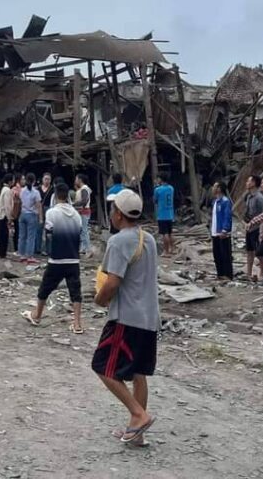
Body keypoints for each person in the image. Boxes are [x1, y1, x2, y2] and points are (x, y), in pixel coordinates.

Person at [92, 189, 159, 445]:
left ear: (119, 214)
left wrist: (100, 300)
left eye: (113, 210)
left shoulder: (118, 241)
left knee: (103, 366)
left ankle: (138, 415)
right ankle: (136, 433)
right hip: (149, 317)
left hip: (126, 318)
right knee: (138, 372)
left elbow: (113, 282)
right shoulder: (148, 239)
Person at [22, 183, 84, 333]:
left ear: (55, 196)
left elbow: (49, 233)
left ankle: (37, 315)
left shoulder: (52, 213)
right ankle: (77, 324)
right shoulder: (76, 215)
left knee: (45, 288)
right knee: (75, 292)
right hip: (73, 259)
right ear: (68, 196)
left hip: (57, 258)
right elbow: (80, 234)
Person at [242, 175, 263, 281]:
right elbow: (247, 212)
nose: (247, 183)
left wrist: (260, 228)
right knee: (249, 251)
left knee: (259, 252)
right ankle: (248, 273)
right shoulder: (249, 196)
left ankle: (262, 273)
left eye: (249, 181)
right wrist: (245, 222)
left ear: (254, 183)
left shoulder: (259, 198)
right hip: (249, 227)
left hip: (257, 228)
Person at [210, 181, 234, 281]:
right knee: (217, 254)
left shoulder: (225, 201)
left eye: (215, 186)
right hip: (215, 231)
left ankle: (228, 274)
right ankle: (220, 273)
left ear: (219, 189)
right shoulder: (215, 201)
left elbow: (227, 216)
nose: (212, 188)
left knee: (225, 254)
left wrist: (225, 229)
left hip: (223, 232)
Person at [18, 173, 43, 263]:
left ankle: (21, 254)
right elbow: (38, 206)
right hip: (32, 215)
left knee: (22, 236)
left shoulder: (22, 190)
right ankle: (29, 256)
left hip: (23, 214)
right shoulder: (36, 192)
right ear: (34, 181)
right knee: (31, 236)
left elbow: (20, 201)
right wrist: (40, 218)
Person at [153, 176, 175, 259]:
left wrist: (155, 188)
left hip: (162, 215)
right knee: (170, 233)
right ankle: (172, 249)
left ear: (160, 179)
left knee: (164, 234)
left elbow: (155, 200)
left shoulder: (158, 190)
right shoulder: (171, 188)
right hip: (170, 213)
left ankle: (166, 251)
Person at [0, 174, 14, 258]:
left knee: (0, 234)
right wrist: (9, 218)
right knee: (4, 235)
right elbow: (7, 205)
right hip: (3, 215)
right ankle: (2, 253)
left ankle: (0, 252)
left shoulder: (2, 188)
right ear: (10, 181)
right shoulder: (7, 190)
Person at [73, 173, 93, 257]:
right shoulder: (84, 188)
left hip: (84, 211)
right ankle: (83, 248)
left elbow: (84, 201)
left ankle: (88, 250)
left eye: (76, 179)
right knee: (82, 231)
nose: (75, 181)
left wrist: (74, 204)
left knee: (84, 231)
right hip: (83, 211)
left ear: (80, 180)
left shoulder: (84, 189)